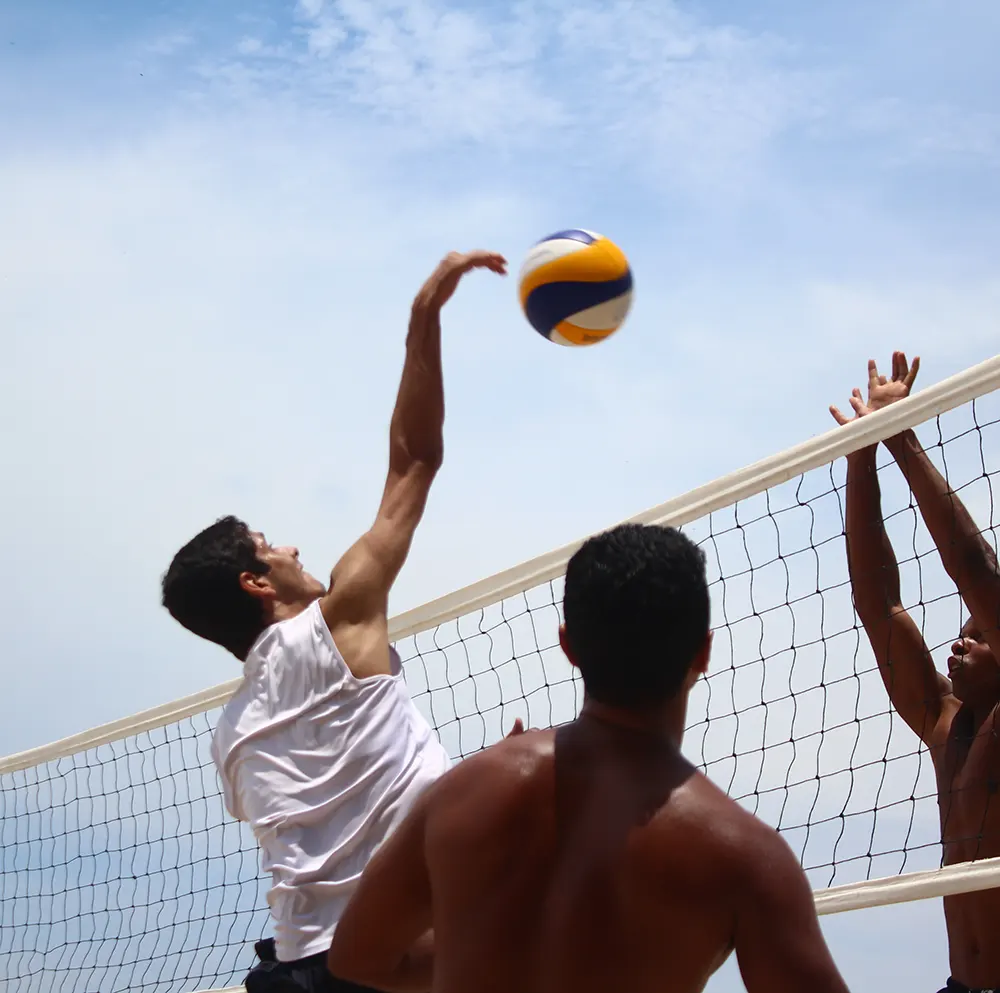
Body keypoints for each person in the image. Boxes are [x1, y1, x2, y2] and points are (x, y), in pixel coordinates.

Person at [161, 250, 511, 993]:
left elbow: (345, 813)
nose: (290, 544)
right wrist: (424, 320)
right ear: (257, 581)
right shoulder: (339, 619)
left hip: (300, 969)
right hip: (391, 960)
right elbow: (415, 458)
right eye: (269, 545)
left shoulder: (230, 736)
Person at [327, 522, 851, 993]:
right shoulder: (746, 857)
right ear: (703, 652)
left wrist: (483, 935)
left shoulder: (464, 793)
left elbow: (358, 956)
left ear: (567, 646)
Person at [831, 352, 1000, 993]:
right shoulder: (946, 724)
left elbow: (976, 570)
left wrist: (902, 435)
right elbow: (880, 605)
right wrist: (861, 453)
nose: (958, 646)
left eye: (977, 637)